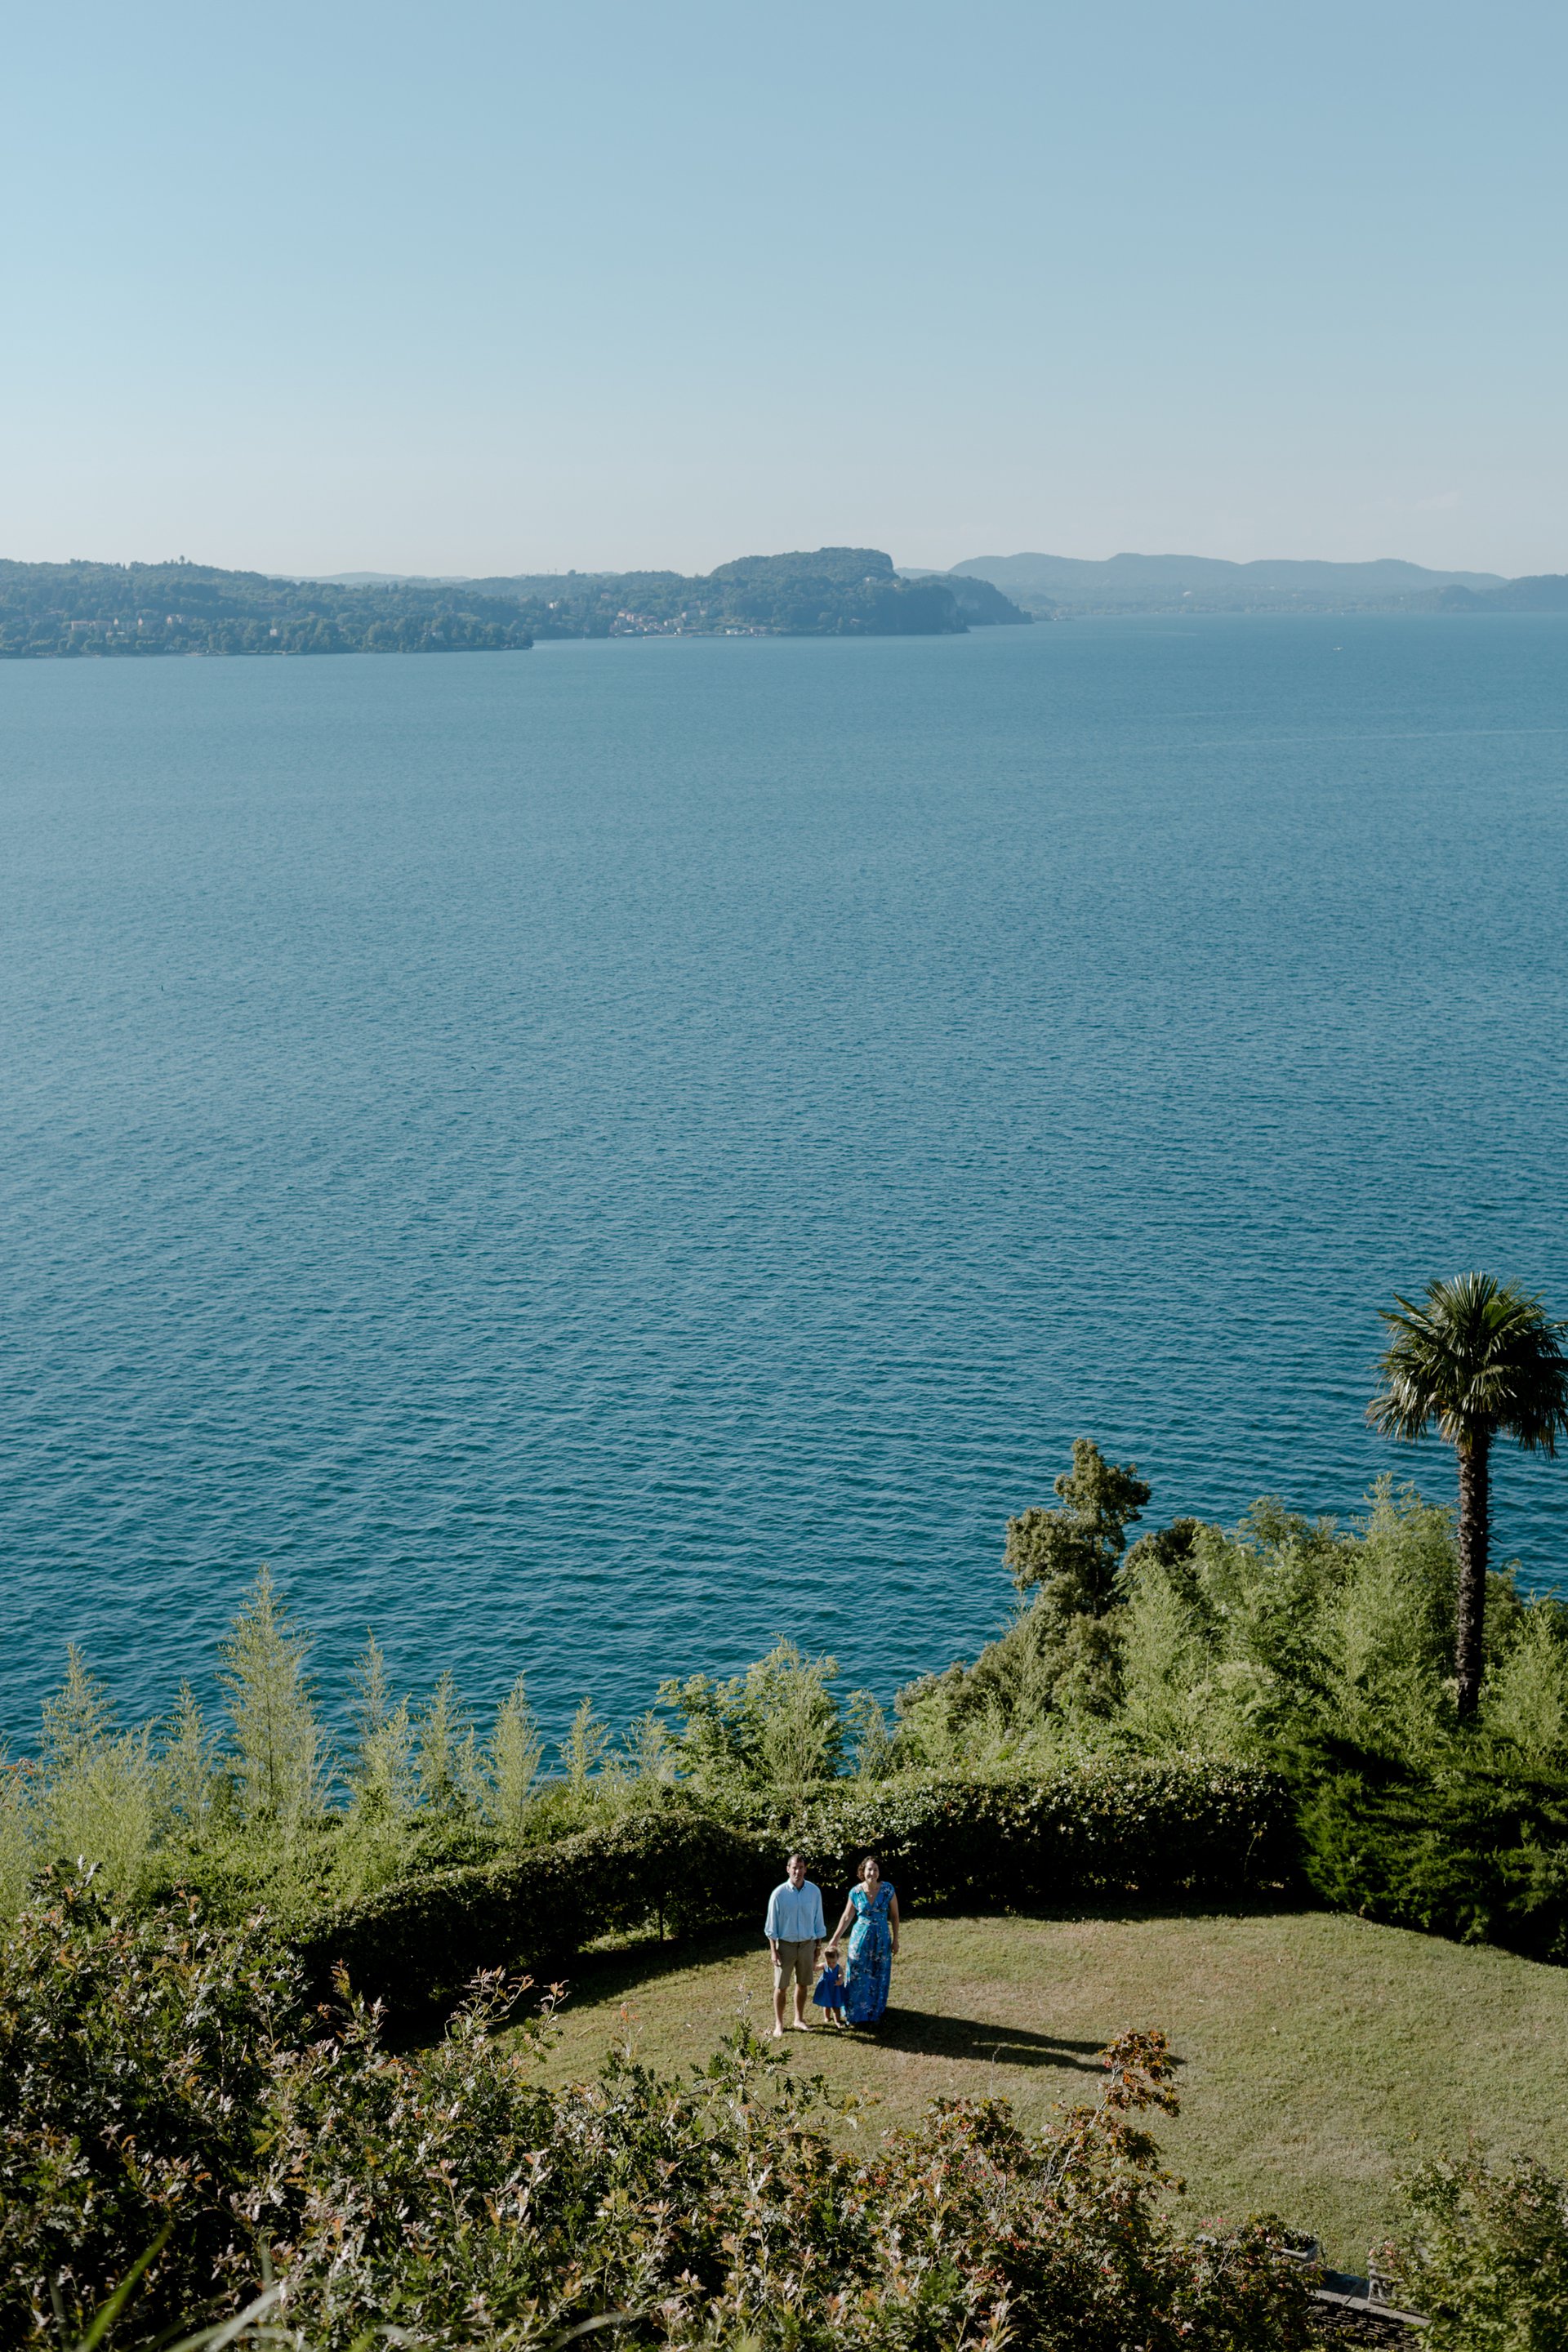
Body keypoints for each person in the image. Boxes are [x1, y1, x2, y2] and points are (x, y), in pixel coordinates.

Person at [830, 1854, 899, 2028]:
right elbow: (847, 1916)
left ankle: (874, 2013)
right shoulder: (855, 1892)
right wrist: (835, 1939)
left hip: (882, 1939)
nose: (872, 1873)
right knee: (856, 1973)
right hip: (860, 1939)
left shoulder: (888, 1890)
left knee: (879, 1973)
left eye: (875, 1869)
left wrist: (896, 1939)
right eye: (869, 1869)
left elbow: (895, 1916)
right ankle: (854, 2013)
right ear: (863, 1871)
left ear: (879, 1872)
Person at [764, 1851, 826, 2036]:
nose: (797, 1872)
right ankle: (779, 2024)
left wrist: (817, 1947)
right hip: (785, 1946)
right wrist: (774, 1951)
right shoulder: (779, 1894)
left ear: (805, 1870)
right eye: (794, 1868)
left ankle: (799, 2019)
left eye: (801, 1868)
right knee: (781, 1986)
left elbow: (818, 1921)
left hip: (807, 1945)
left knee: (803, 1984)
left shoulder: (814, 1892)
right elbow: (771, 1926)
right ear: (788, 1869)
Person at [812, 1944, 847, 2028]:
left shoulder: (838, 1968)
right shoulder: (824, 1965)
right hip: (826, 1988)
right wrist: (814, 1961)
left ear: (837, 1959)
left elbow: (841, 1975)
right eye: (829, 1962)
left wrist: (840, 1980)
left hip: (836, 1989)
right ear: (825, 1959)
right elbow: (815, 1968)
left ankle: (837, 2021)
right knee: (826, 2004)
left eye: (833, 1962)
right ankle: (827, 2018)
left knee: (836, 2005)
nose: (831, 1964)